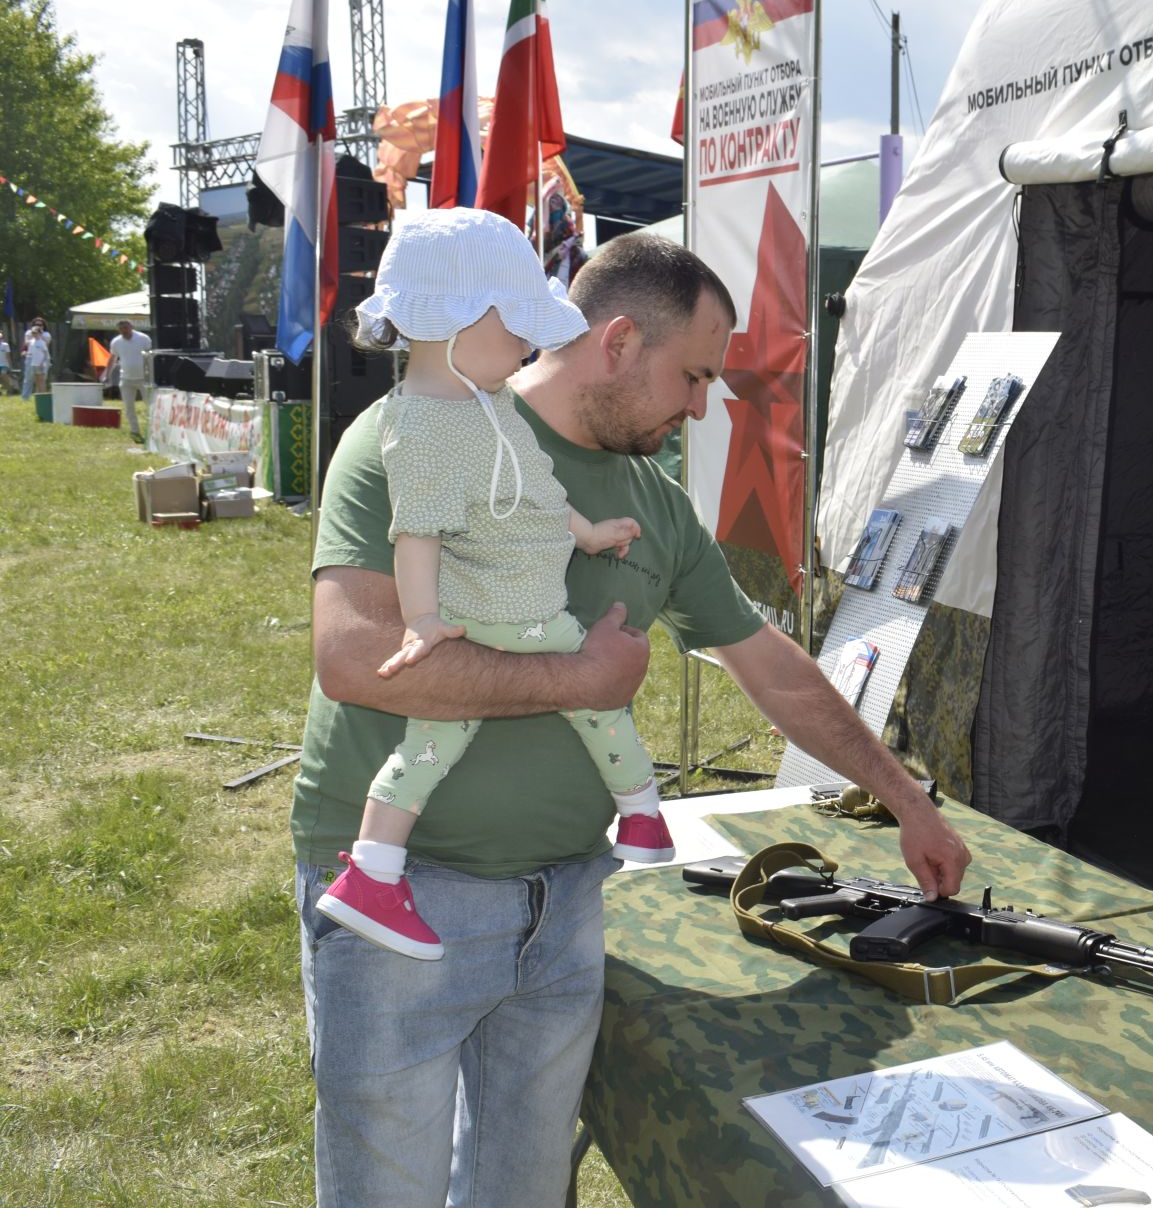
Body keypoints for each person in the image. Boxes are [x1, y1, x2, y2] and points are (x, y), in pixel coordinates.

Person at [294, 228, 971, 1206]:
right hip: (402, 902)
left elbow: (766, 663)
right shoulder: (417, 432)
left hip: (562, 906)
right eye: (693, 376)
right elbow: (356, 656)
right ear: (615, 344)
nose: (703, 405)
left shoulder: (652, 504)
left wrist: (903, 795)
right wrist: (579, 676)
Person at [312, 208, 680, 964]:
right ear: (457, 319)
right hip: (510, 616)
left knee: (431, 749)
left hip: (524, 603)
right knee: (599, 703)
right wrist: (420, 620)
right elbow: (416, 532)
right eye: (516, 323)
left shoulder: (492, 406)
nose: (527, 343)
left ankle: (372, 872)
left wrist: (586, 534)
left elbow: (536, 489)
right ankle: (641, 814)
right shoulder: (420, 430)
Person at [104, 320, 153, 441]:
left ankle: (152, 431)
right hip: (126, 379)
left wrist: (151, 374)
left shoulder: (143, 338)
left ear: (131, 327)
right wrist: (107, 374)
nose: (124, 331)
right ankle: (135, 431)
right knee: (129, 406)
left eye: (126, 328)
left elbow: (150, 356)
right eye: (121, 329)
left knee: (150, 405)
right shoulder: (116, 342)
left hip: (144, 378)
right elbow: (112, 358)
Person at [21, 320, 50, 399]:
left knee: (42, 379)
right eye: (36, 324)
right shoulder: (32, 340)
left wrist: (40, 334)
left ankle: (43, 396)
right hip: (33, 361)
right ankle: (29, 397)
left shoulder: (45, 337)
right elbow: (27, 345)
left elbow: (46, 351)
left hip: (41, 361)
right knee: (33, 379)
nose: (33, 334)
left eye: (40, 325)